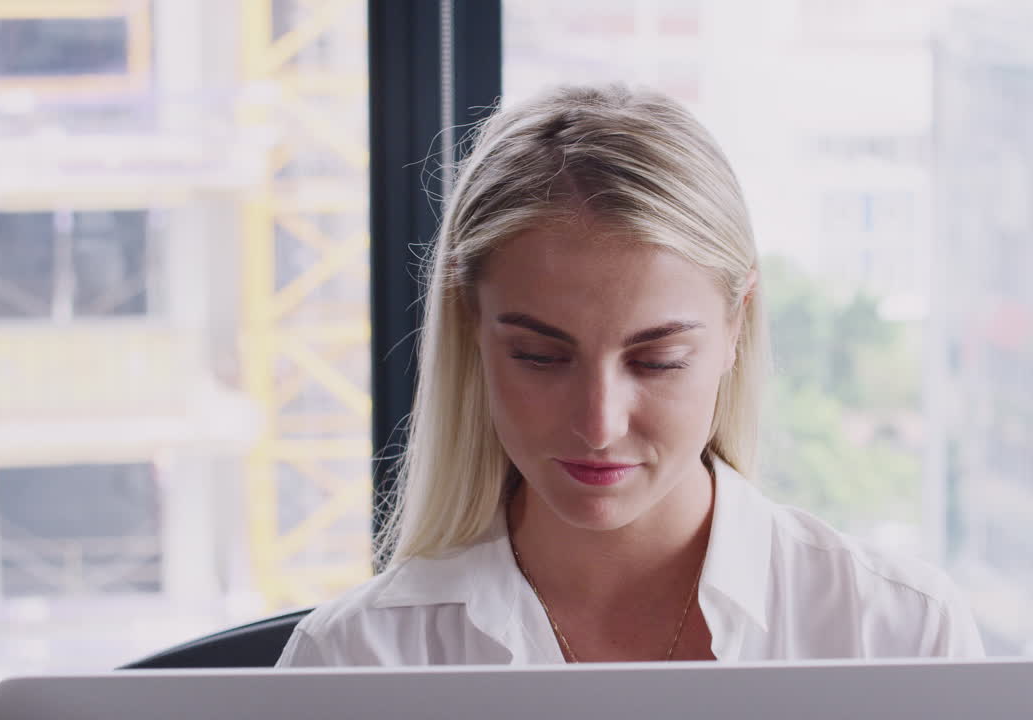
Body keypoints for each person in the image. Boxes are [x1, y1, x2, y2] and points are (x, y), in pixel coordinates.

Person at [276, 83, 984, 666]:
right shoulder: (353, 661)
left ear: (737, 324)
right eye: (541, 357)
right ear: (470, 327)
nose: (599, 422)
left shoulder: (896, 634)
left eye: (658, 361)